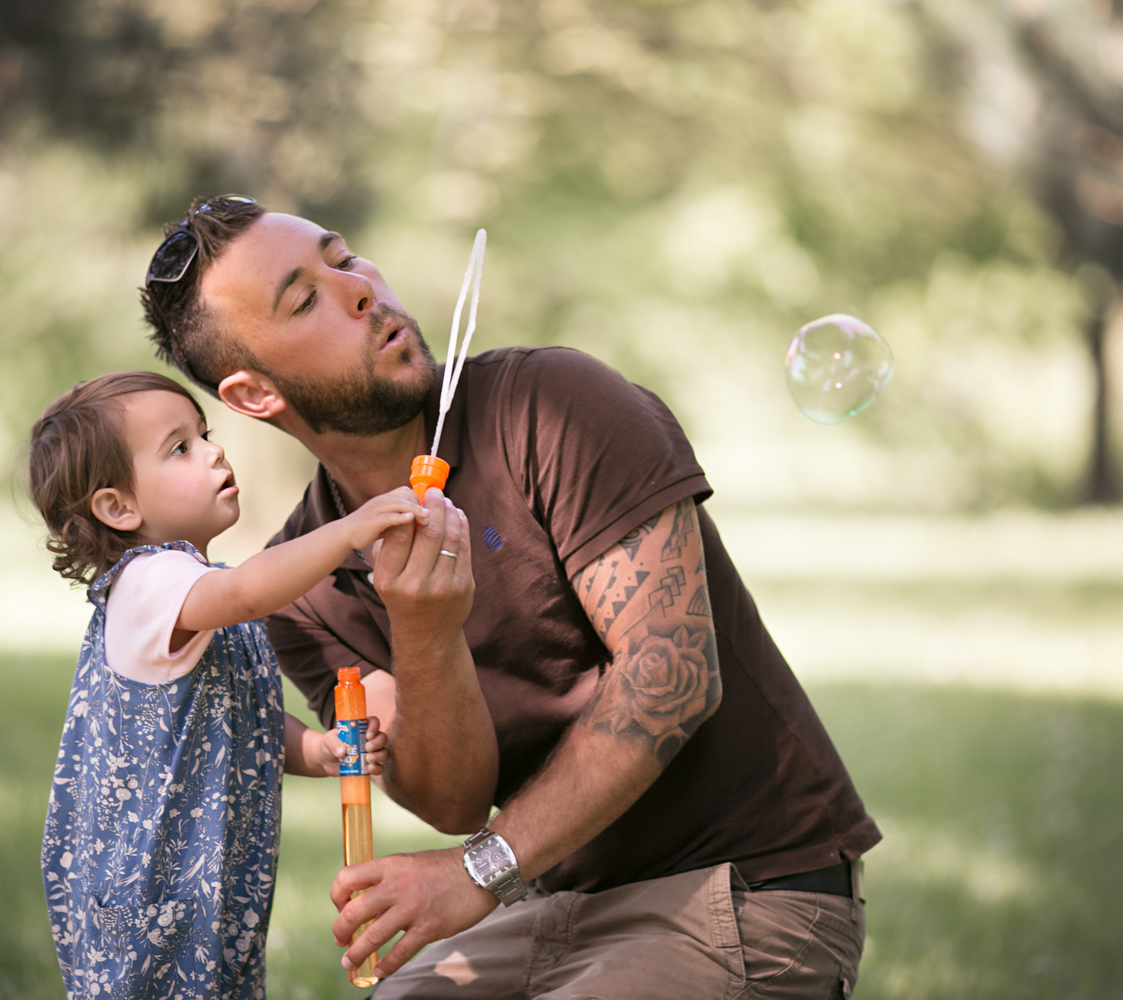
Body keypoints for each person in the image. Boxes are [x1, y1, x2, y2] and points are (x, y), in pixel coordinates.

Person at [140, 196, 883, 999]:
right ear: (253, 395)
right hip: (557, 903)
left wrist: (479, 872)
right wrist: (426, 631)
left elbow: (672, 682)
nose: (361, 288)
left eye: (343, 257)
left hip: (744, 889)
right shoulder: (299, 588)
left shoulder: (552, 406)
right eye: (304, 297)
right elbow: (451, 797)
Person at [27, 369, 411, 1000]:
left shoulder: (195, 591)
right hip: (148, 889)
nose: (214, 450)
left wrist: (317, 750)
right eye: (179, 447)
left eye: (203, 434)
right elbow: (249, 589)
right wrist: (348, 530)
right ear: (118, 508)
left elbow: (239, 716)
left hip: (206, 885)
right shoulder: (149, 585)